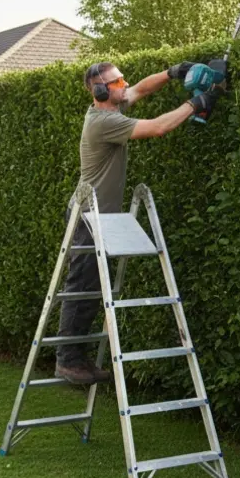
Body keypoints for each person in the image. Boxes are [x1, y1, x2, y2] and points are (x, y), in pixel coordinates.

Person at [54, 61, 220, 385]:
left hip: (99, 216)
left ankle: (78, 359)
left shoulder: (113, 103)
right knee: (82, 288)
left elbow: (141, 89)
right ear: (102, 90)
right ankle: (67, 361)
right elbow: (158, 127)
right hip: (87, 216)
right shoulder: (103, 122)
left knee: (92, 290)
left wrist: (174, 71)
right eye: (118, 82)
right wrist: (194, 103)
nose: (124, 85)